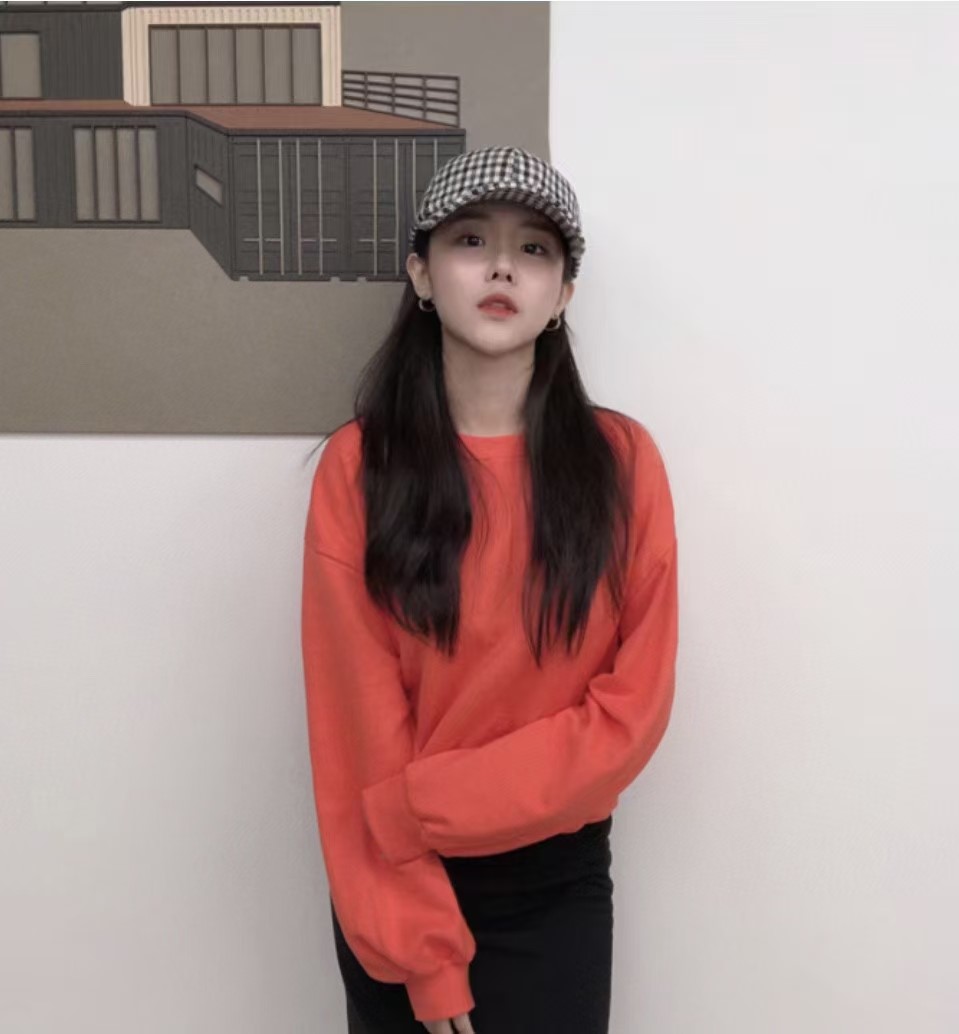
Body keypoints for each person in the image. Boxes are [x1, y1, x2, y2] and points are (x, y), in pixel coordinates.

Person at [301, 145, 679, 1033]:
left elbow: (632, 711)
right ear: (421, 276)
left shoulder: (622, 463)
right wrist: (423, 955)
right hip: (395, 894)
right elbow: (354, 733)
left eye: (533, 248)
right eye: (471, 240)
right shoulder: (359, 468)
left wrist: (421, 808)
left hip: (555, 890)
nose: (502, 266)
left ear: (563, 293)